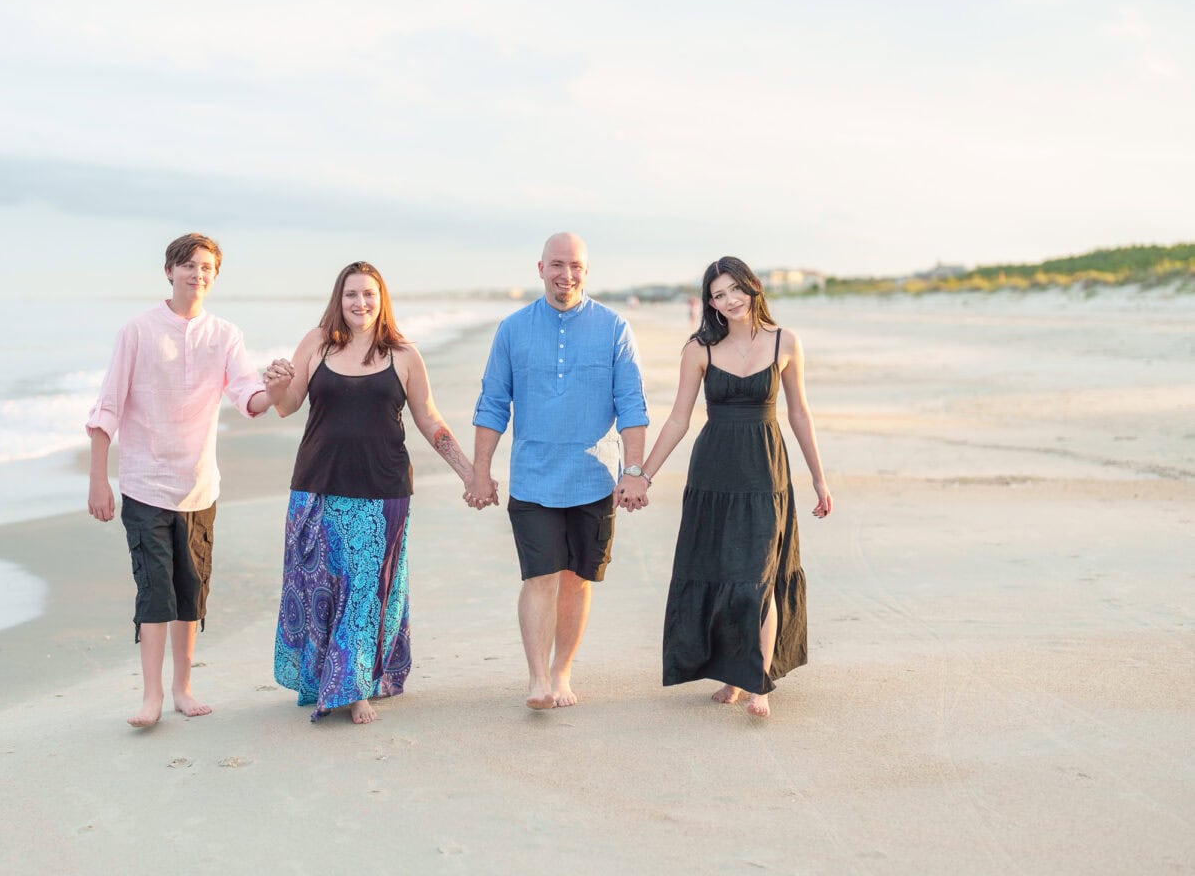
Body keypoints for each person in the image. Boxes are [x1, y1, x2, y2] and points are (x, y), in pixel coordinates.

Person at [262, 261, 477, 724]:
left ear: (382, 301)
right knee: (321, 588)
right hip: (317, 486)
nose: (360, 303)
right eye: (351, 294)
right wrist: (277, 386)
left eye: (369, 294)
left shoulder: (403, 355)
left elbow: (430, 421)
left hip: (382, 492)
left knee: (365, 589)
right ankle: (329, 678)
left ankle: (355, 687)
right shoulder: (317, 343)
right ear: (338, 300)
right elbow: (287, 407)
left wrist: (470, 473)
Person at [622, 256, 833, 718]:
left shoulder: (786, 342)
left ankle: (757, 682)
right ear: (710, 303)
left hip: (765, 472)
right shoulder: (699, 348)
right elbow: (678, 418)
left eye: (735, 289)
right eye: (718, 294)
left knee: (757, 576)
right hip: (714, 472)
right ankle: (733, 676)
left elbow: (799, 413)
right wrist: (642, 475)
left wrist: (818, 477)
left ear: (752, 288)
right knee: (722, 573)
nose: (729, 300)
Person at [86, 233, 271, 728]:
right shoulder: (138, 331)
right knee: (154, 593)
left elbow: (249, 396)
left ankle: (183, 689)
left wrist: (274, 389)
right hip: (145, 484)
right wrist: (98, 480)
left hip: (199, 487)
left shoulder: (224, 334)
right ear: (169, 271)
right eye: (188, 265)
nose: (197, 273)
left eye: (206, 267)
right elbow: (107, 406)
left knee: (191, 593)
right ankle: (150, 698)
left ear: (215, 275)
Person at [465, 232, 649, 710]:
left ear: (586, 271)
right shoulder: (512, 329)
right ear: (540, 267)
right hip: (533, 477)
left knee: (577, 578)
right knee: (540, 576)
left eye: (576, 266)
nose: (566, 275)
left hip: (595, 478)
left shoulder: (613, 328)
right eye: (557, 265)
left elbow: (631, 405)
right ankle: (537, 678)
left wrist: (633, 470)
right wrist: (479, 471)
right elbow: (492, 405)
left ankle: (563, 671)